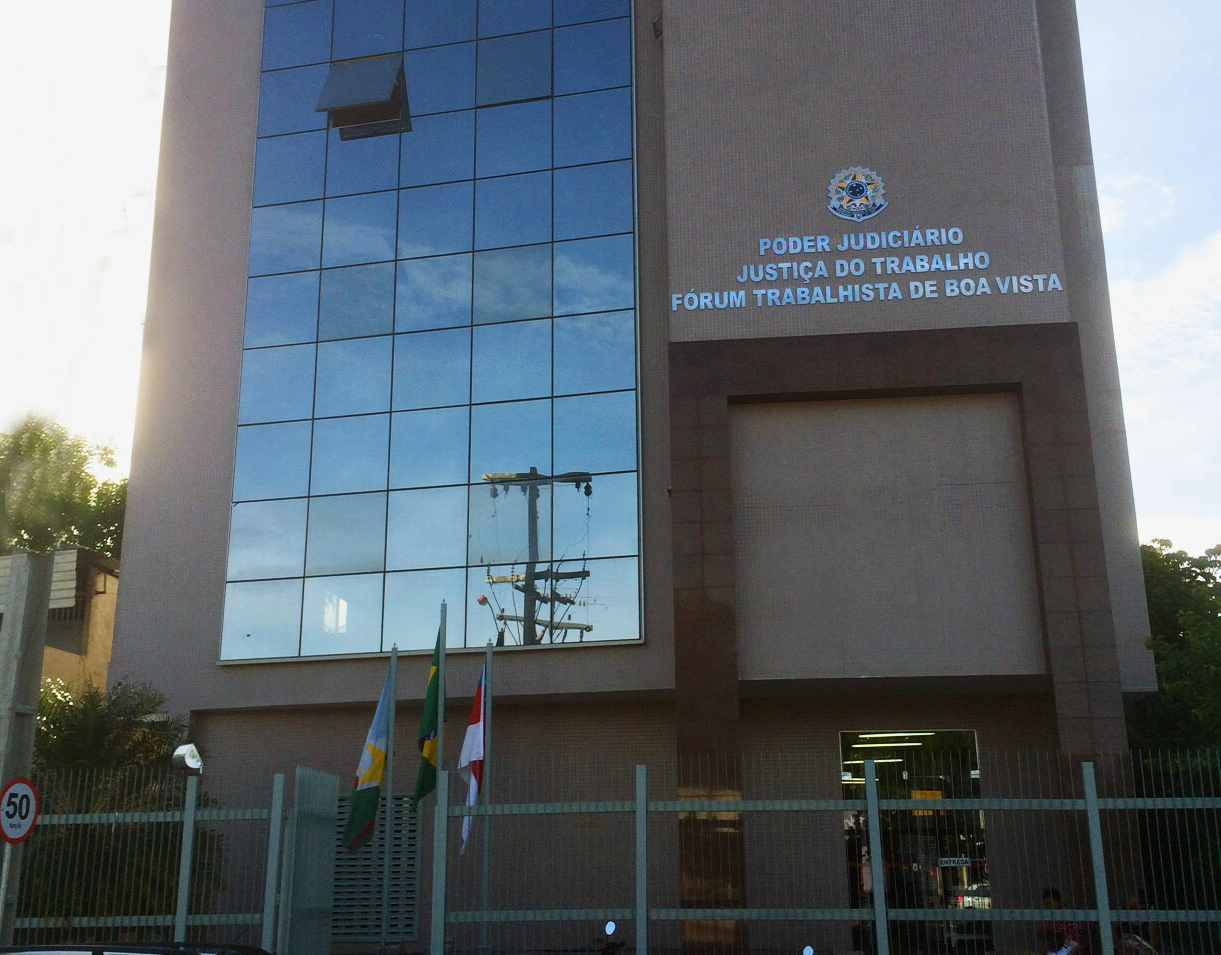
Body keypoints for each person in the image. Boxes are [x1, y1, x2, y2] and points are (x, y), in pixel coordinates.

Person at [1039, 887, 1083, 955]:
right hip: (1053, 948)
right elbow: (1043, 936)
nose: (1047, 907)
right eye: (1045, 904)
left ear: (1059, 902)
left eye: (1050, 903)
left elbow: (1075, 937)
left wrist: (1058, 933)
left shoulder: (1069, 916)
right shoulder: (1048, 917)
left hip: (1068, 948)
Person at [1115, 889, 1160, 955]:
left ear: (1141, 905)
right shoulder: (1121, 911)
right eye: (1131, 895)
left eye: (1134, 896)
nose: (1129, 898)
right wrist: (1122, 948)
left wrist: (1148, 950)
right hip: (1122, 948)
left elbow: (1155, 938)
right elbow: (1112, 932)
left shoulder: (1148, 917)